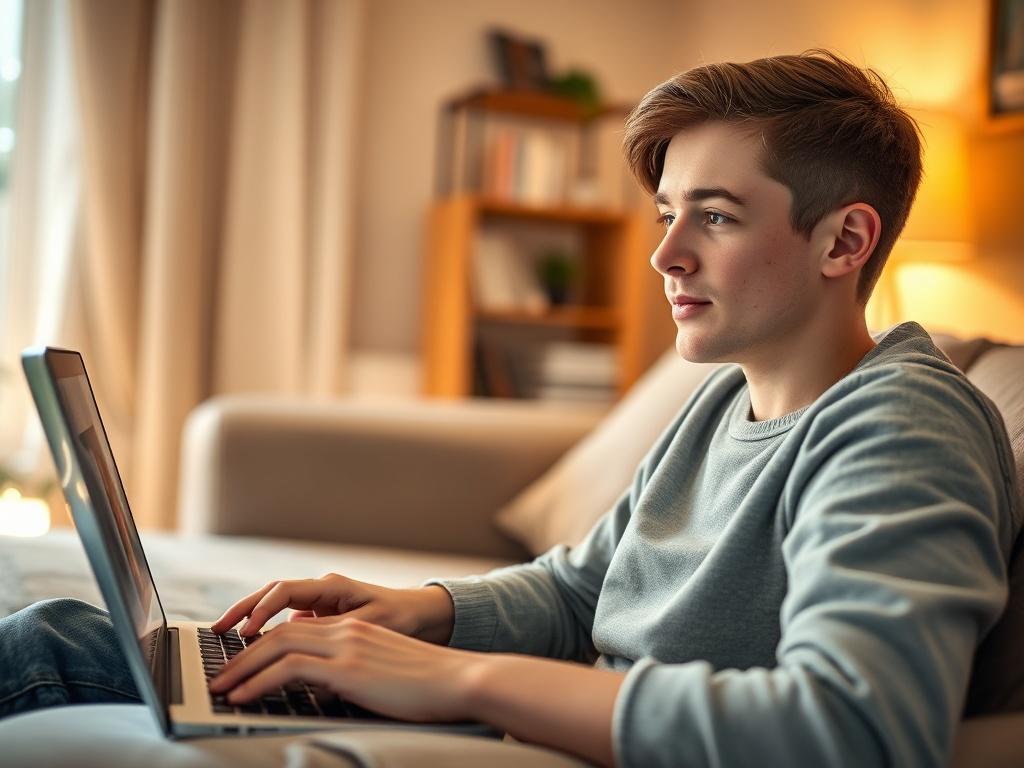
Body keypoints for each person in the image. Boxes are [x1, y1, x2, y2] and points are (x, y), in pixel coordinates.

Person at [0, 49, 1019, 767]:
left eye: (714, 217)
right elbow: (585, 590)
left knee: (51, 655)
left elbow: (853, 732)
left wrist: (454, 680)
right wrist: (418, 614)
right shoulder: (723, 402)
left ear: (844, 243)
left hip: (574, 736)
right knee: (70, 636)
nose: (664, 255)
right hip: (557, 711)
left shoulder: (899, 432)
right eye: (668, 215)